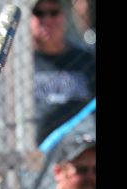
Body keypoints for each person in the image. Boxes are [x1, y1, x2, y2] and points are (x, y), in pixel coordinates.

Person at [30, 0, 96, 146]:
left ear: (64, 17)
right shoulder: (21, 64)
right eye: (39, 13)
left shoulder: (86, 60)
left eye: (54, 13)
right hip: (37, 151)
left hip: (82, 150)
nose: (47, 20)